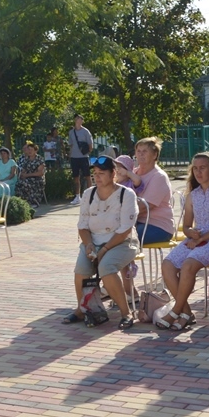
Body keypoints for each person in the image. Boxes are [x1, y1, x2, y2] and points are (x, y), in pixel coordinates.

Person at [156, 152, 209, 330]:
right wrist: (190, 233)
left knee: (188, 265)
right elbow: (185, 226)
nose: (198, 172)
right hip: (196, 239)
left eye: (203, 168)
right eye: (195, 168)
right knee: (168, 264)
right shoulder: (193, 195)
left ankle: (175, 311)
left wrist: (200, 239)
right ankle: (186, 312)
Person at [62, 156, 139, 330]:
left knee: (106, 268)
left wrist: (104, 249)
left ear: (114, 174)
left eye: (101, 173)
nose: (97, 177)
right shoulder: (89, 194)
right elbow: (82, 226)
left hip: (122, 242)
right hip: (93, 241)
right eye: (95, 173)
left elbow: (126, 229)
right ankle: (82, 309)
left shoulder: (126, 194)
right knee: (81, 270)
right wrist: (88, 244)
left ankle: (126, 313)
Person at [133, 137, 174, 245]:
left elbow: (144, 207)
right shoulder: (133, 173)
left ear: (155, 155)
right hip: (137, 223)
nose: (141, 154)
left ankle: (127, 262)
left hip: (158, 226)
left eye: (145, 151)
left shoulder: (159, 177)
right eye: (138, 151)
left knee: (121, 239)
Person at [68, 114, 92, 205]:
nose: (79, 120)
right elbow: (71, 144)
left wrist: (87, 152)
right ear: (75, 120)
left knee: (87, 176)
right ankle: (77, 196)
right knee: (76, 177)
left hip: (83, 157)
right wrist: (70, 155)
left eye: (81, 118)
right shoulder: (71, 132)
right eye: (78, 118)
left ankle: (90, 195)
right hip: (74, 157)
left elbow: (90, 145)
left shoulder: (86, 131)